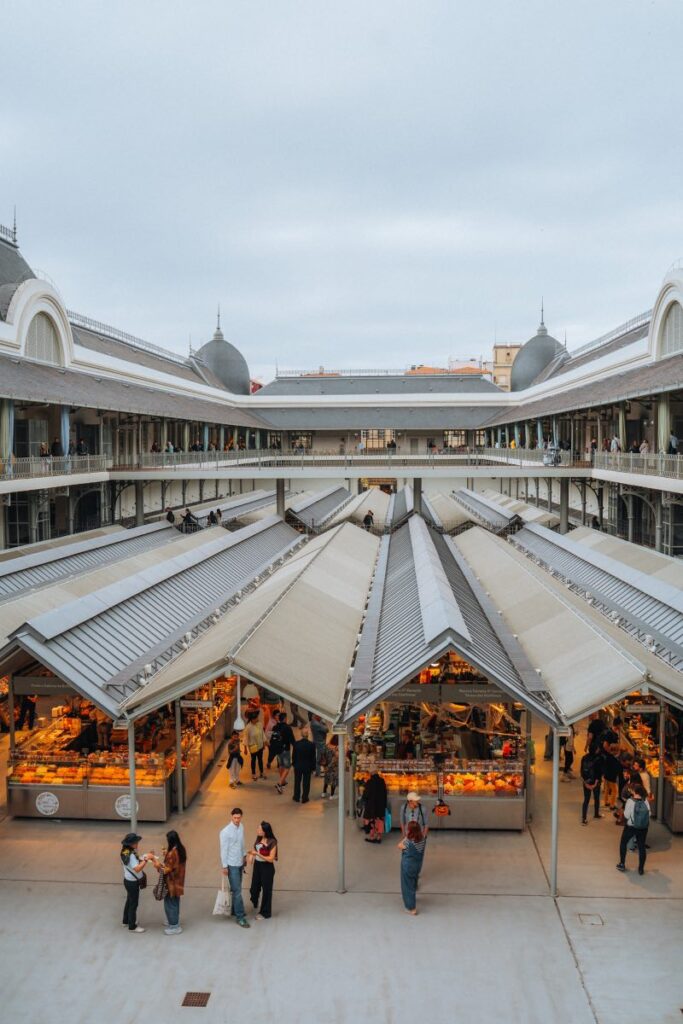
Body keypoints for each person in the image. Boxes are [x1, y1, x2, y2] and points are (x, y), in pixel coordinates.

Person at [219, 808, 250, 928]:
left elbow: (242, 843)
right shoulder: (225, 832)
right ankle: (240, 916)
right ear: (231, 817)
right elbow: (223, 850)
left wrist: (244, 855)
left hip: (239, 862)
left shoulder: (241, 826)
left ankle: (234, 909)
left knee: (236, 888)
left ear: (241, 817)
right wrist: (224, 866)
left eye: (239, 817)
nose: (237, 820)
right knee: (237, 891)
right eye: (235, 818)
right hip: (231, 864)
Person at [152, 830, 187, 935]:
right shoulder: (181, 849)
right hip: (178, 881)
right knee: (175, 902)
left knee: (169, 903)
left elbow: (167, 869)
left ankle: (174, 926)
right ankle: (173, 920)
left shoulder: (172, 853)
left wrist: (156, 864)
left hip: (171, 882)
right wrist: (166, 855)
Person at [616, 782, 650, 876]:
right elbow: (649, 814)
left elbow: (626, 815)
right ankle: (641, 869)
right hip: (643, 828)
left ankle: (622, 864)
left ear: (634, 791)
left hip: (631, 827)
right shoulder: (645, 800)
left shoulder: (630, 801)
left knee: (623, 843)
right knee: (641, 847)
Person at [247, 821, 278, 920]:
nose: (258, 830)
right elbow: (255, 849)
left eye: (260, 829)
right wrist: (251, 856)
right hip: (258, 866)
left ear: (265, 831)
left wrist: (257, 854)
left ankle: (265, 913)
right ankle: (255, 900)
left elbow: (270, 859)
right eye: (258, 828)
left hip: (267, 868)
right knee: (253, 888)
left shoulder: (272, 841)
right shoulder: (259, 838)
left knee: (267, 891)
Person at [120, 832, 150, 933]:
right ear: (131, 843)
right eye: (136, 842)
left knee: (129, 901)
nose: (138, 843)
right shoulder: (131, 855)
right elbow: (137, 868)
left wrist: (142, 858)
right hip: (133, 883)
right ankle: (132, 926)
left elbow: (133, 862)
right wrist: (145, 860)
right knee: (134, 903)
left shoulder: (125, 851)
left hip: (127, 880)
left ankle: (126, 920)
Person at [398, 821, 427, 915]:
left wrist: (406, 837)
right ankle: (413, 895)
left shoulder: (408, 842)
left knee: (407, 886)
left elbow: (399, 845)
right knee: (413, 881)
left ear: (410, 831)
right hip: (417, 865)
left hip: (408, 866)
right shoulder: (422, 839)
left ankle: (411, 907)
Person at [271, 712, 295, 793]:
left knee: (281, 765)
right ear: (285, 718)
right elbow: (292, 740)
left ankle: (283, 780)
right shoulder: (287, 728)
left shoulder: (275, 727)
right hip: (285, 750)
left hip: (277, 750)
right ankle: (279, 783)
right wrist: (296, 746)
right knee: (287, 767)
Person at [292, 727, 316, 803]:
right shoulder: (311, 745)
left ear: (301, 734)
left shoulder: (296, 744)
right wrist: (313, 768)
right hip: (307, 766)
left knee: (297, 781)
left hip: (298, 766)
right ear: (308, 735)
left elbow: (294, 756)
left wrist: (294, 764)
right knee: (306, 782)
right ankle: (305, 797)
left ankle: (296, 796)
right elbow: (313, 757)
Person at [362, 771, 388, 843]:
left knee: (372, 821)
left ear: (371, 774)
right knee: (380, 821)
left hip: (371, 807)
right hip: (381, 806)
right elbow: (385, 793)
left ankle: (372, 837)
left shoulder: (369, 782)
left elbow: (365, 795)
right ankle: (379, 837)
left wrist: (363, 799)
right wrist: (385, 805)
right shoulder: (382, 781)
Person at [580, 750, 603, 824]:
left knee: (586, 800)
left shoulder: (584, 757)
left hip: (587, 781)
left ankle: (584, 818)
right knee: (596, 798)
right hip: (595, 783)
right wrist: (595, 784)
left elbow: (581, 771)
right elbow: (599, 773)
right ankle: (596, 814)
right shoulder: (598, 759)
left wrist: (586, 783)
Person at [245, 716, 266, 781]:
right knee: (253, 760)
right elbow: (246, 738)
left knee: (260, 759)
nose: (258, 719)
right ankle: (253, 774)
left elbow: (262, 734)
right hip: (253, 746)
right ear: (252, 719)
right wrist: (245, 748)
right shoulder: (248, 727)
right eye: (256, 718)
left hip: (260, 745)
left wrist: (264, 743)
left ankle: (261, 773)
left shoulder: (259, 724)